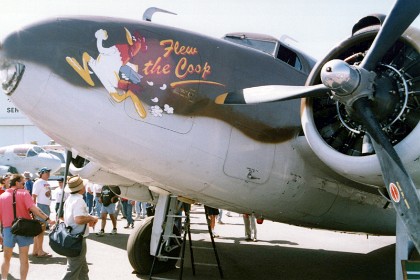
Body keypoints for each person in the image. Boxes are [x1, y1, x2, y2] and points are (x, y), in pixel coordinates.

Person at [0, 174, 55, 280]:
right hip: (24, 228)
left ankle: (4, 278)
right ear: (16, 183)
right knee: (24, 258)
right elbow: (34, 209)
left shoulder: (2, 197)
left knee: (6, 258)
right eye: (23, 183)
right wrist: (48, 219)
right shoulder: (24, 194)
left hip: (8, 229)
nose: (24, 185)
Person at [62, 175, 98, 280]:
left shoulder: (70, 199)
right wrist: (91, 218)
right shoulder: (79, 200)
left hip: (72, 236)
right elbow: (78, 219)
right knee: (73, 270)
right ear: (80, 188)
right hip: (77, 238)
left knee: (82, 269)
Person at [31, 167, 53, 257]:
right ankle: (39, 251)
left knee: (39, 229)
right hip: (41, 206)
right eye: (46, 172)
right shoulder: (39, 182)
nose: (48, 174)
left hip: (45, 206)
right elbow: (34, 196)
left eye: (48, 172)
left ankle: (36, 250)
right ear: (41, 173)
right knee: (41, 229)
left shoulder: (45, 182)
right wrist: (34, 209)